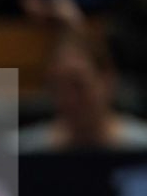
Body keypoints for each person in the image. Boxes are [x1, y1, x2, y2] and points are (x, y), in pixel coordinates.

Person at [13, 31, 147, 151]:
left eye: (78, 85)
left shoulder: (141, 147)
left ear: (107, 80)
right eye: (56, 88)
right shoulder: (23, 151)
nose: (69, 100)